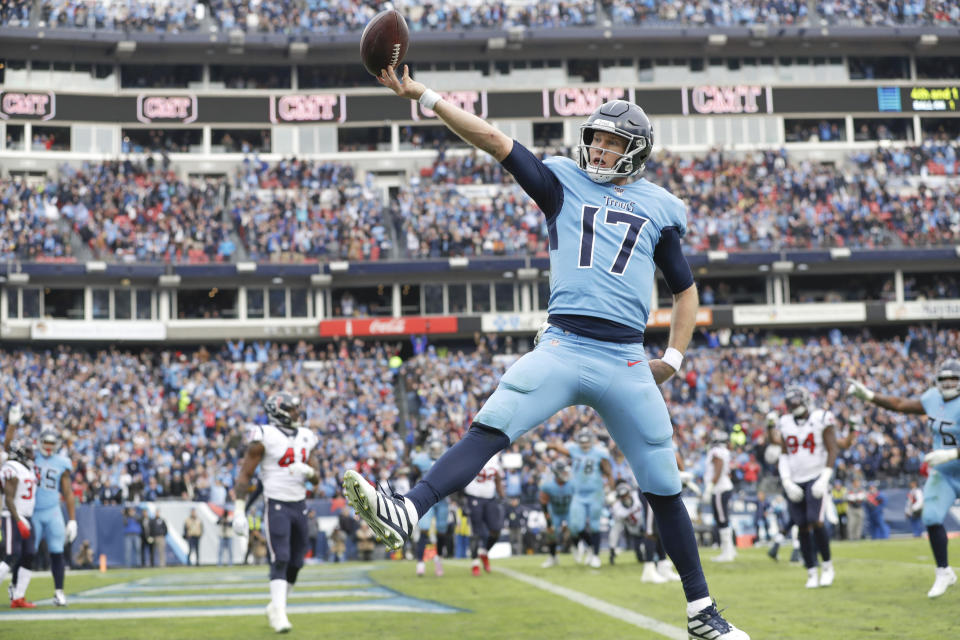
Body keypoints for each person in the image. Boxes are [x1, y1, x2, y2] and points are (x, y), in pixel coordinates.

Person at [343, 64, 748, 640]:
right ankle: (409, 508)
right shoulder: (561, 181)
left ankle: (702, 614)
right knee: (493, 422)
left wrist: (675, 358)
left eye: (613, 143)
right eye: (598, 139)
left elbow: (686, 291)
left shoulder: (660, 207)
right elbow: (492, 139)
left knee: (664, 483)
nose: (601, 150)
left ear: (636, 152)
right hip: (563, 344)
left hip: (628, 358)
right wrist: (425, 95)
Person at [848, 363, 960, 597]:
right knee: (930, 516)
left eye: (954, 379)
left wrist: (952, 453)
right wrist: (869, 395)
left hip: (949, 460)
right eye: (945, 380)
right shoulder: (932, 398)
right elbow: (899, 405)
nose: (949, 384)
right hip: (945, 473)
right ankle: (943, 571)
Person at [232, 392, 320, 633]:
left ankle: (276, 605)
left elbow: (317, 480)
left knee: (297, 561)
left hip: (299, 504)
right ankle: (279, 613)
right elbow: (245, 476)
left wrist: (309, 472)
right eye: (292, 409)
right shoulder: (264, 435)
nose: (297, 413)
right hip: (276, 503)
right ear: (279, 412)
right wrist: (239, 511)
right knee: (280, 557)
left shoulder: (306, 436)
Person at [769, 385, 839, 589]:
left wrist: (825, 478)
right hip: (795, 479)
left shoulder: (821, 418)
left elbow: (832, 449)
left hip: (816, 476)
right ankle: (810, 571)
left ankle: (827, 566)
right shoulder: (785, 422)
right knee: (801, 525)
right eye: (790, 403)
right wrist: (786, 481)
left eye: (796, 402)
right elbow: (783, 453)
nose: (793, 406)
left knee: (815, 521)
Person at [547, 428, 612, 568]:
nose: (584, 444)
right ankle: (589, 548)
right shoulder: (574, 449)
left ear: (592, 440)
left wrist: (611, 489)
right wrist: (549, 445)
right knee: (576, 526)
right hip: (578, 494)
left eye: (586, 441)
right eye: (582, 441)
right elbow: (561, 449)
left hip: (595, 493)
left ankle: (595, 556)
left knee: (595, 525)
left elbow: (608, 472)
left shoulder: (600, 452)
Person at [30, 428, 77, 606]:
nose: (48, 447)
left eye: (52, 443)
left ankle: (59, 592)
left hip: (53, 510)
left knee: (57, 552)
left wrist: (72, 519)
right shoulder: (32, 458)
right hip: (34, 510)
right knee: (27, 553)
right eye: (46, 442)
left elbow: (68, 491)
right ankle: (17, 591)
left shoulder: (62, 462)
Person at [0, 441, 38, 608]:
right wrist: (17, 520)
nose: (31, 455)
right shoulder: (12, 467)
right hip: (13, 516)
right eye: (27, 452)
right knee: (11, 555)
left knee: (29, 554)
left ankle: (18, 597)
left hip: (27, 517)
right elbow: (8, 498)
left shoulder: (27, 469)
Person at [463, 452, 505, 576]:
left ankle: (484, 552)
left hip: (490, 497)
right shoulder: (471, 455)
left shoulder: (494, 458)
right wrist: (461, 499)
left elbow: (497, 476)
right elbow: (461, 476)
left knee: (496, 530)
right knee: (476, 532)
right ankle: (475, 563)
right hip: (473, 496)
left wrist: (501, 494)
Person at [411, 439, 448, 577]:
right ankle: (420, 562)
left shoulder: (447, 457)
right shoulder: (421, 460)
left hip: (443, 499)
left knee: (442, 531)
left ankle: (438, 559)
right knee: (424, 529)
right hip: (427, 499)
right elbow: (413, 476)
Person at [704, 430, 736, 563]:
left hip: (719, 489)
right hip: (724, 487)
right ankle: (730, 549)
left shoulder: (716, 452)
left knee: (721, 519)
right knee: (722, 519)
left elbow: (718, 467)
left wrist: (710, 487)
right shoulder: (725, 451)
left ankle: (727, 551)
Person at [538, 459, 574, 568]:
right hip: (556, 511)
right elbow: (544, 504)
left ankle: (585, 550)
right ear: (557, 473)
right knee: (551, 532)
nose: (565, 473)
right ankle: (553, 557)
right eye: (562, 471)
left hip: (569, 510)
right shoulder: (548, 485)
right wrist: (549, 522)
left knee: (578, 528)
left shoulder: (573, 482)